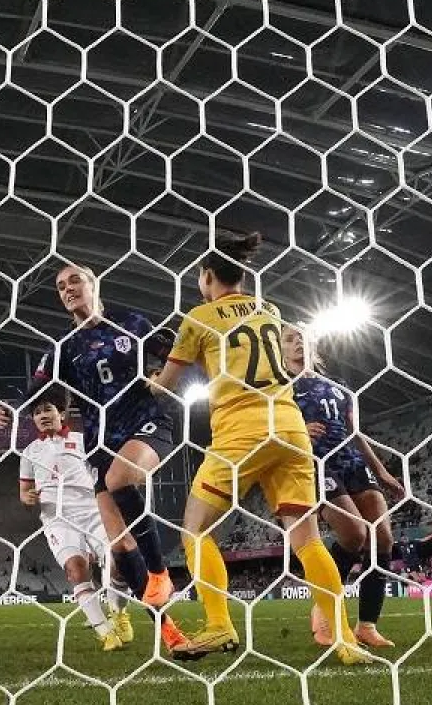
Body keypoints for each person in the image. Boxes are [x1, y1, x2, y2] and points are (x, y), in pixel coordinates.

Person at [152, 231, 372, 664]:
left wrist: (149, 382)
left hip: (242, 431)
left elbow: (167, 386)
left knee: (194, 528)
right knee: (307, 540)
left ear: (207, 276)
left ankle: (219, 625)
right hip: (290, 430)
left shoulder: (199, 317)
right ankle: (344, 640)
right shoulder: (269, 310)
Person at [0, 263, 180, 628]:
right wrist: (9, 408)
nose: (67, 289)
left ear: (94, 285)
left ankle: (158, 573)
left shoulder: (132, 324)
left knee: (121, 479)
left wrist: (164, 378)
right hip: (100, 441)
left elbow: (175, 351)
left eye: (75, 280)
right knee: (119, 546)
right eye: (61, 286)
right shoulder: (64, 348)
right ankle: (168, 630)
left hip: (145, 423)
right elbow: (36, 387)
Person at [282, 324, 405, 649]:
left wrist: (382, 472)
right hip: (316, 462)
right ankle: (323, 608)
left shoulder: (338, 386)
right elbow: (269, 433)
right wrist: (296, 432)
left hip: (351, 460)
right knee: (353, 534)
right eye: (289, 339)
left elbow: (354, 432)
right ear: (279, 350)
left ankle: (367, 625)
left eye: (302, 338)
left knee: (382, 539)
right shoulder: (279, 388)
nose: (297, 343)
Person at [19, 387, 132, 651]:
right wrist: (29, 498)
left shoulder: (84, 440)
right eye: (36, 412)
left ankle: (118, 611)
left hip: (93, 510)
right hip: (57, 518)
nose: (43, 415)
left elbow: (106, 470)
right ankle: (105, 632)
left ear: (61, 413)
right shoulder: (29, 452)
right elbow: (24, 493)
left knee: (119, 561)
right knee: (76, 569)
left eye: (47, 409)